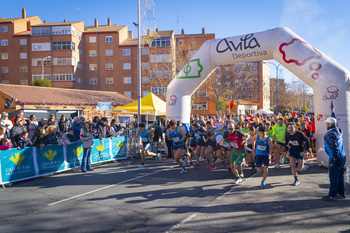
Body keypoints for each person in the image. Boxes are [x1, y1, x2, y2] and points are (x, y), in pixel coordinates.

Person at [323, 117, 346, 201]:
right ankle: (342, 194)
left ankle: (332, 195)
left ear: (328, 124)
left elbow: (333, 146)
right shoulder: (339, 130)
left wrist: (335, 158)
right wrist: (333, 112)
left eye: (326, 123)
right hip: (342, 156)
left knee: (333, 176)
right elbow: (336, 123)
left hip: (335, 157)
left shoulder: (328, 134)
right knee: (340, 176)